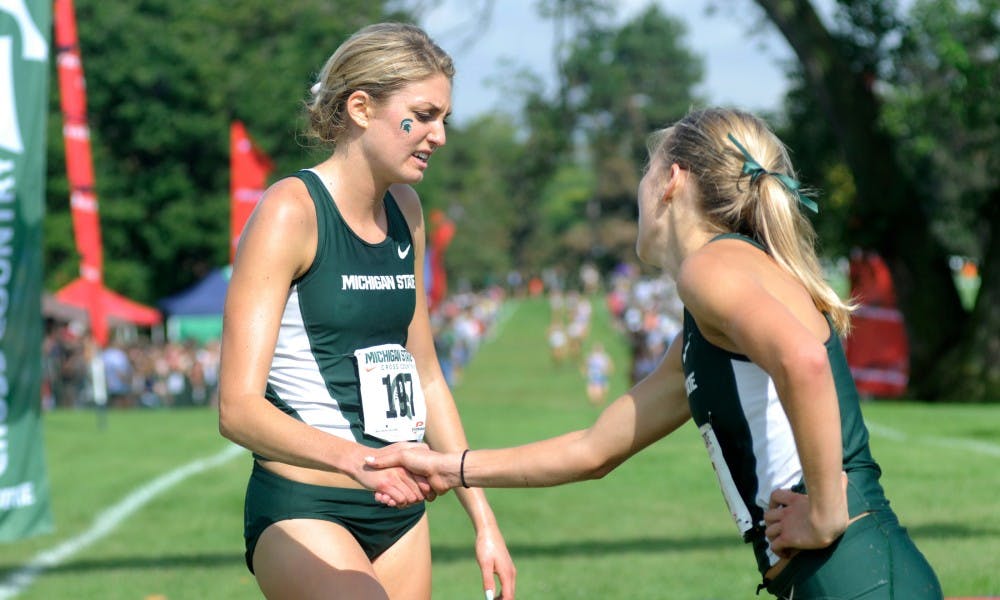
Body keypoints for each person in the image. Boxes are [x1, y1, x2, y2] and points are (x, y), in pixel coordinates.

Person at [367, 107, 942, 598]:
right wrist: (448, 465)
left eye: (645, 173)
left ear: (671, 179)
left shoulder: (709, 267)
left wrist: (823, 511)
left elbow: (805, 361)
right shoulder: (708, 306)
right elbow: (593, 451)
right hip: (842, 576)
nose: (639, 191)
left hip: (857, 574)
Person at [218, 22, 515, 600]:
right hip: (305, 506)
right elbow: (237, 409)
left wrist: (483, 519)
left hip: (398, 514)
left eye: (444, 120)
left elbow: (426, 375)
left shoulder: (408, 211)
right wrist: (358, 461)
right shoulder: (289, 211)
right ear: (360, 107)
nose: (438, 136)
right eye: (424, 115)